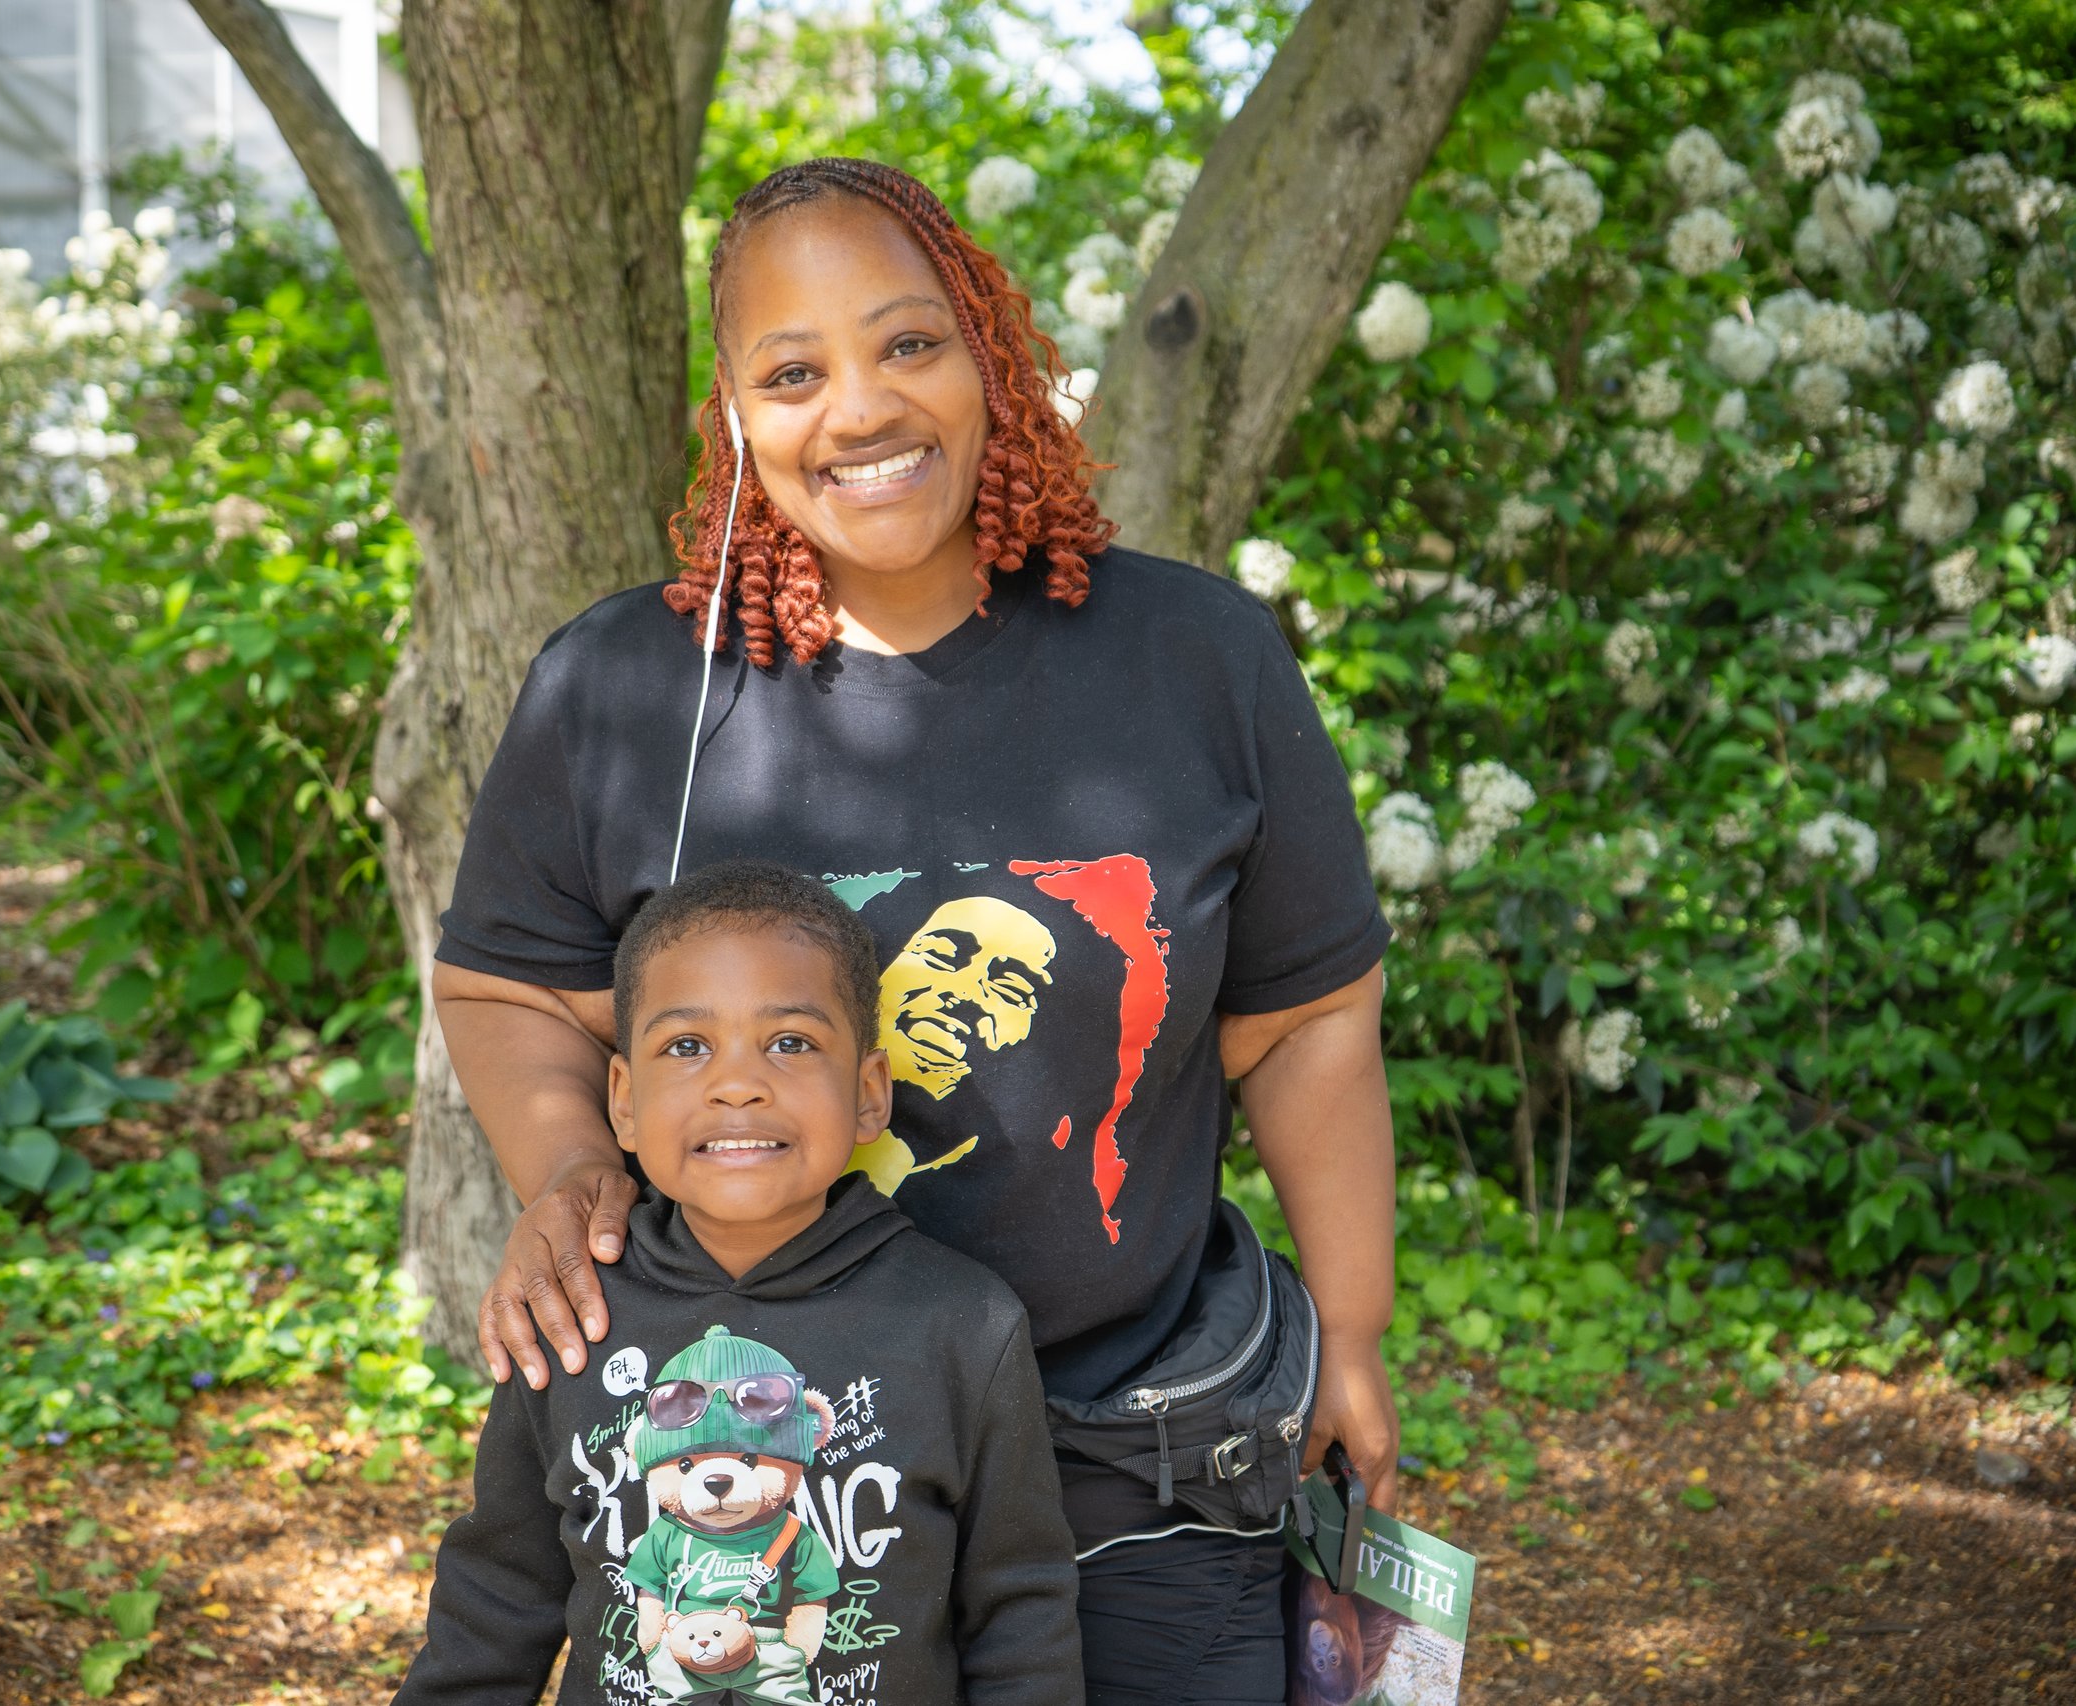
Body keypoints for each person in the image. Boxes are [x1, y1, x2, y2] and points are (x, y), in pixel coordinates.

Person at [435, 155, 1398, 1704]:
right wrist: (570, 1170)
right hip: (766, 1480)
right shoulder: (628, 692)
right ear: (736, 418)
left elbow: (1302, 1022)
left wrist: (1350, 1326)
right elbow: (508, 987)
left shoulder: (1196, 659)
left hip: (1131, 1460)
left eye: (909, 344)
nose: (863, 408)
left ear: (990, 360)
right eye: (795, 371)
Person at [392, 860, 1083, 1706]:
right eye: (686, 1047)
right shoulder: (573, 1310)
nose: (737, 1084)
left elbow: (1020, 1617)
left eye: (791, 1043)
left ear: (869, 1094)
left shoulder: (965, 1325)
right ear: (624, 1101)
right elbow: (494, 1602)